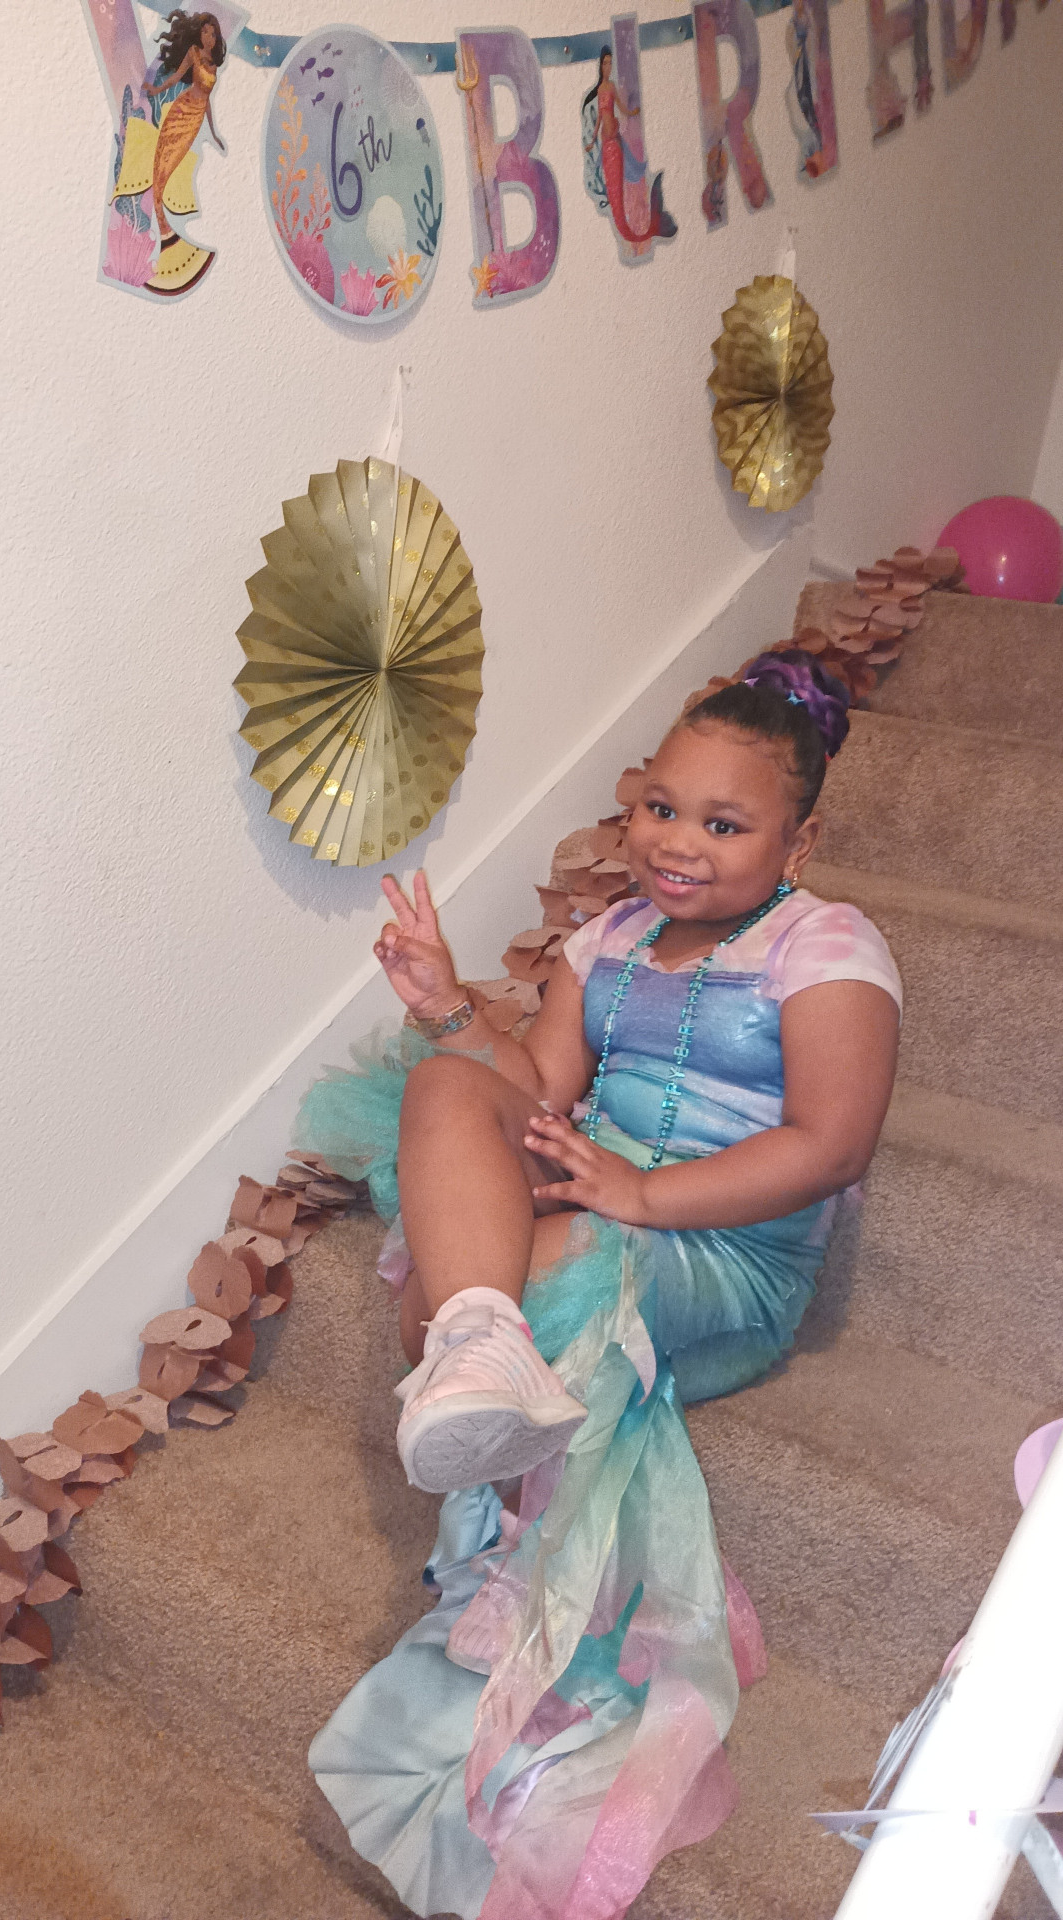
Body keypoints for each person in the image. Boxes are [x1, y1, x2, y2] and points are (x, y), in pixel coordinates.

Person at [298, 649, 902, 1920]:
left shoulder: (826, 944)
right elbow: (537, 1091)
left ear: (799, 840)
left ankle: (488, 1363)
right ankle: (479, 1337)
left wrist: (636, 1195)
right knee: (444, 1101)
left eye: (724, 824)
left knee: (547, 1260)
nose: (678, 842)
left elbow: (829, 1145)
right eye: (661, 808)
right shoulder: (609, 937)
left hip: (728, 1249)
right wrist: (448, 1007)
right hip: (604, 1181)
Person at [144, 11, 226, 250]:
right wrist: (156, 90)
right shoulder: (193, 53)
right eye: (205, 32)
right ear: (199, 34)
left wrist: (213, 133)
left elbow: (207, 101)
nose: (209, 37)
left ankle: (163, 226)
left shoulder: (214, 66)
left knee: (172, 164)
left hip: (195, 119)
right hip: (182, 109)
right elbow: (176, 78)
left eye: (213, 34)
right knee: (162, 161)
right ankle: (162, 229)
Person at [581, 47, 676, 247]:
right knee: (612, 189)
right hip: (607, 143)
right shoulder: (600, 90)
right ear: (600, 66)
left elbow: (621, 108)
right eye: (605, 63)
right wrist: (592, 141)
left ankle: (648, 226)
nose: (608, 67)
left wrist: (632, 113)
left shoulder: (612, 87)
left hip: (615, 143)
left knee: (622, 183)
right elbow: (599, 118)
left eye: (610, 63)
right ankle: (646, 227)